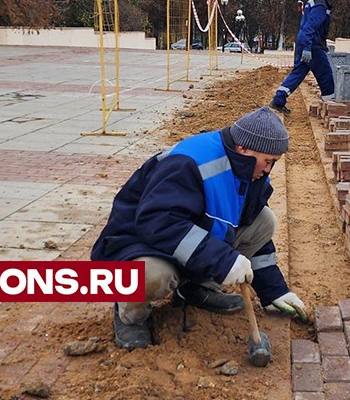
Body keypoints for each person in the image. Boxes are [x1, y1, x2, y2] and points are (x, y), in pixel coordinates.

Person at [91, 106, 311, 349]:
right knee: (152, 277)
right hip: (138, 242)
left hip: (181, 238)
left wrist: (275, 292)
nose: (269, 169)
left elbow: (250, 226)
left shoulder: (251, 171)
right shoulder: (190, 162)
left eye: (274, 163)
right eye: (268, 162)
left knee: (264, 221)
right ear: (244, 149)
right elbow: (158, 222)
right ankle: (130, 315)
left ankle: (195, 289)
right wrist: (223, 260)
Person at [269, 0, 342, 115]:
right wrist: (308, 48)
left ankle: (278, 100)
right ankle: (331, 107)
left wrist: (304, 46)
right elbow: (310, 26)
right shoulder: (321, 5)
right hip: (312, 44)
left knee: (298, 73)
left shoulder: (313, 1)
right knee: (326, 74)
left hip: (303, 41)